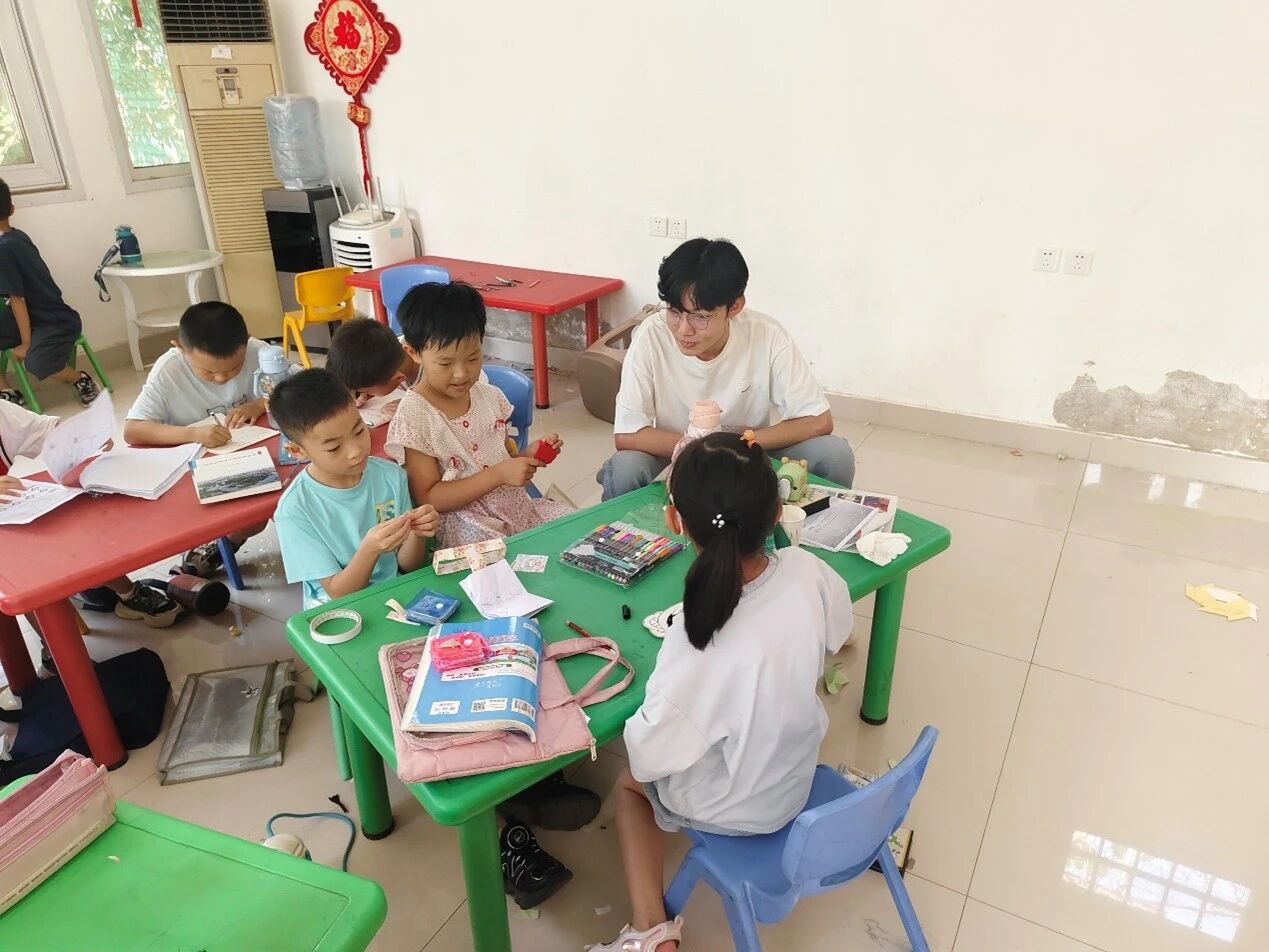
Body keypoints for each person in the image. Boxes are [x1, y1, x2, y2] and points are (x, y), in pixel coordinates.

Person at [272, 368, 595, 909]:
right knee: (424, 708)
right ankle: (507, 829)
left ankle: (529, 774)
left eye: (359, 431)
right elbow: (337, 592)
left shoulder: (385, 475)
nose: (355, 450)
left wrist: (415, 536)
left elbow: (408, 568)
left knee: (487, 658)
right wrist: (370, 549)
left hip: (404, 602)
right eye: (333, 445)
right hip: (344, 624)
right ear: (296, 449)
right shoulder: (297, 510)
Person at [587, 432, 854, 952]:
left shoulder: (696, 639)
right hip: (794, 776)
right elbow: (839, 630)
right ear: (777, 512)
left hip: (740, 808)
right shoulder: (808, 571)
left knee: (628, 786)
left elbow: (647, 756)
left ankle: (651, 928)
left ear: (674, 521)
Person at [598, 237, 856, 501]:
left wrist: (741, 441)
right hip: (677, 451)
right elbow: (628, 434)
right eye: (674, 312)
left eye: (700, 317)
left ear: (734, 307)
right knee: (624, 469)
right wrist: (698, 446)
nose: (683, 330)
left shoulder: (766, 335)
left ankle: (804, 524)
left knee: (834, 455)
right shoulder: (652, 335)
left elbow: (818, 420)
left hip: (748, 451)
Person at [386, 282, 571, 547]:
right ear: (413, 352)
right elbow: (428, 497)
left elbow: (500, 459)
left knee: (575, 530)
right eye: (445, 363)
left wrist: (527, 456)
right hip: (469, 527)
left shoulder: (488, 396)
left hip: (517, 510)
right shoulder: (416, 416)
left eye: (472, 358)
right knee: (511, 562)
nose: (461, 373)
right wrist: (499, 475)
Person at [0, 399, 180, 627]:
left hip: (12, 512)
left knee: (73, 524)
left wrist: (83, 436)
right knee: (23, 587)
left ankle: (122, 592)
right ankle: (51, 642)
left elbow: (45, 432)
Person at [123, 301, 269, 576]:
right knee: (235, 512)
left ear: (246, 342)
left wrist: (259, 404)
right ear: (179, 347)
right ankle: (214, 545)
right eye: (209, 372)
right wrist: (192, 434)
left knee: (260, 511)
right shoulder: (169, 370)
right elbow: (133, 429)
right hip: (194, 467)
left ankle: (227, 543)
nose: (222, 378)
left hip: (252, 455)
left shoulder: (259, 352)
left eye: (234, 368)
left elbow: (295, 389)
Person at [0, 178, 101, 407]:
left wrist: (26, 343)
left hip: (53, 321)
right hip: (27, 318)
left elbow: (17, 299)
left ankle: (80, 378)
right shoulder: (16, 235)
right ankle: (7, 393)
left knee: (36, 362)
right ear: (12, 209)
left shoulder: (5, 249)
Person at [326, 317, 419, 403]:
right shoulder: (389, 348)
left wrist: (411, 406)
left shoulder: (427, 369)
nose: (367, 393)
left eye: (368, 391)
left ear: (398, 378)